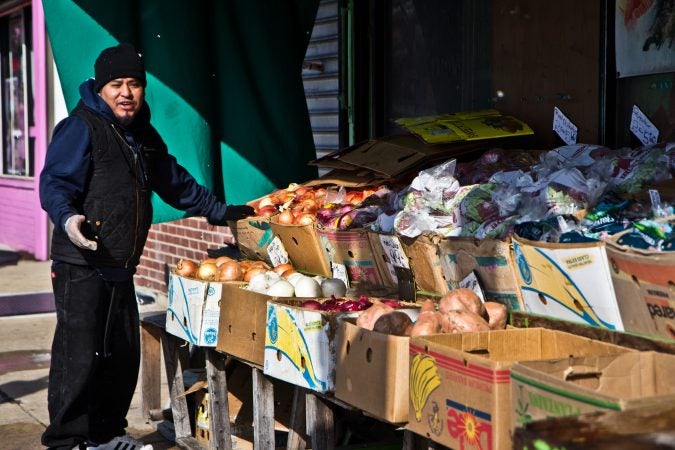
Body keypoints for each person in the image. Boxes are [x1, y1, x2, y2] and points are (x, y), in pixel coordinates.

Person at [39, 43, 254, 450]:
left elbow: (175, 181)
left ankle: (105, 434)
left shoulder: (142, 135)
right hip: (81, 261)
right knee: (79, 354)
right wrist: (69, 219)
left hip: (121, 264)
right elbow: (55, 184)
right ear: (100, 89)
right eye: (116, 84)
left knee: (120, 356)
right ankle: (68, 440)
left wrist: (221, 210)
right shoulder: (81, 128)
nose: (126, 93)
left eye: (134, 84)